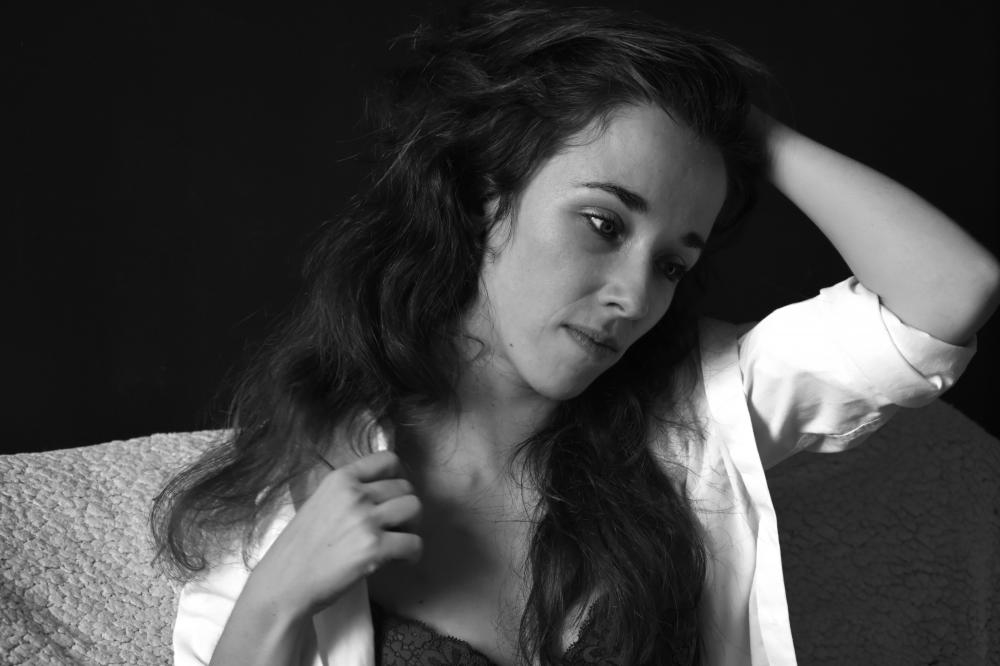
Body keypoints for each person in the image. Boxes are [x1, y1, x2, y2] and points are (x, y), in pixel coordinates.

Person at [151, 4, 998, 665]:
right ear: (483, 198)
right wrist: (278, 596)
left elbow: (951, 292)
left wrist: (739, 125)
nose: (633, 295)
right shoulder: (290, 500)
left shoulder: (698, 421)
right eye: (602, 223)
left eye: (673, 263)